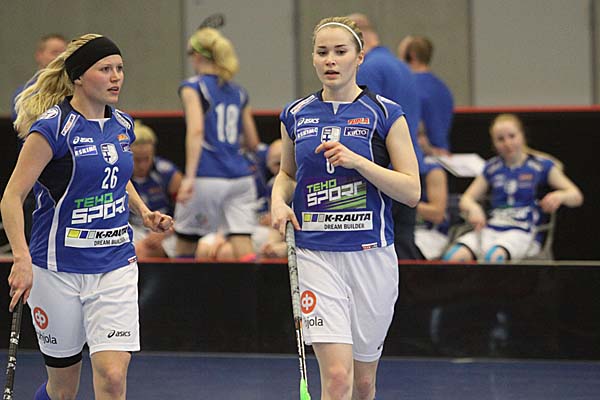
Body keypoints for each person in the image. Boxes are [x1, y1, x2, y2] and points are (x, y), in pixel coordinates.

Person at [2, 33, 173, 400]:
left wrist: (144, 212)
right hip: (56, 269)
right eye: (105, 69)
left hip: (114, 265)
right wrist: (20, 258)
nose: (116, 77)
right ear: (79, 76)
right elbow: (12, 197)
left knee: (112, 376)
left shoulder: (123, 125)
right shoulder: (52, 128)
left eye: (120, 68)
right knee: (63, 390)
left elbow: (116, 176)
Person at [271, 16, 420, 400]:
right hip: (315, 254)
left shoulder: (386, 113)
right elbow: (287, 174)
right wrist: (277, 202)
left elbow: (411, 191)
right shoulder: (295, 114)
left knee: (363, 383)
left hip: (371, 256)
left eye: (340, 51)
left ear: (359, 57)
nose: (330, 60)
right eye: (322, 52)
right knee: (337, 378)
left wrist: (359, 162)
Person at [442, 114, 583, 262]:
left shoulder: (541, 166)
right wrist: (473, 208)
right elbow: (466, 198)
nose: (507, 143)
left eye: (512, 136)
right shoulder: (492, 167)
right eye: (500, 139)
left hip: (524, 233)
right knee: (452, 256)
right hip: (491, 229)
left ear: (522, 136)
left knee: (493, 257)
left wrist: (560, 196)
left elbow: (576, 196)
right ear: (494, 143)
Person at [173, 26, 261, 260]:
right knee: (242, 242)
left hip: (207, 175)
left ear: (197, 56)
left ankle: (180, 286)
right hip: (241, 178)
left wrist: (189, 177)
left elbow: (196, 131)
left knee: (185, 244)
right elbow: (253, 142)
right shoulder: (239, 92)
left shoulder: (193, 87)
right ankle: (255, 285)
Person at [347, 13, 423, 260]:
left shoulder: (369, 69)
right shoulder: (402, 67)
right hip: (409, 167)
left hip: (382, 174)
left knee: (375, 253)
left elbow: (364, 123)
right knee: (404, 247)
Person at [9, 34, 67, 245]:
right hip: (37, 179)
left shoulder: (77, 92)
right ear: (40, 55)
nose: (59, 57)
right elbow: (24, 126)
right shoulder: (26, 94)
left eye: (64, 52)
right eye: (54, 52)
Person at [130, 120, 182, 258]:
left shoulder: (169, 174)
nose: (142, 165)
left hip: (167, 229)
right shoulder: (118, 175)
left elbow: (186, 213)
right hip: (132, 228)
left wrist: (167, 230)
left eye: (146, 159)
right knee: (136, 250)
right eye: (137, 160)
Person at [398, 35, 454, 156]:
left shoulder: (408, 87)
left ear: (411, 56)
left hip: (422, 155)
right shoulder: (443, 88)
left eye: (400, 57)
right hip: (442, 155)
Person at [415, 157, 449, 259]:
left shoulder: (432, 170)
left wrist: (400, 201)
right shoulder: (385, 166)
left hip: (429, 233)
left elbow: (437, 214)